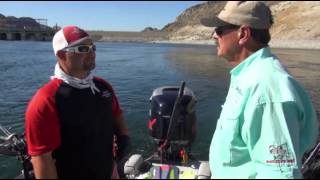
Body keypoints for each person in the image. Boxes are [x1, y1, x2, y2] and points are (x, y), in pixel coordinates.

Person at [201, 1, 318, 179]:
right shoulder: (250, 75)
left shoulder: (266, 88)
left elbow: (279, 175)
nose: (214, 36)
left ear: (243, 34)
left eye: (219, 30)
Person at [25, 25, 131, 179]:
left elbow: (116, 113)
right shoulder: (46, 101)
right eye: (82, 49)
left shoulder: (103, 87)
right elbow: (43, 159)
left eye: (92, 47)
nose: (92, 53)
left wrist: (124, 136)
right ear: (62, 55)